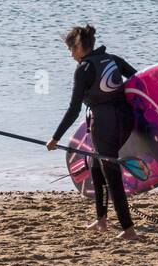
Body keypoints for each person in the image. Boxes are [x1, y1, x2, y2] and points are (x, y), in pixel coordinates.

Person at [47, 24, 139, 239]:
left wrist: (55, 138)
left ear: (79, 47)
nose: (71, 55)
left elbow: (73, 109)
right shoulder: (112, 60)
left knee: (111, 174)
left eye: (71, 50)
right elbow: (138, 80)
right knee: (95, 166)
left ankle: (129, 230)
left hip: (104, 125)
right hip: (125, 121)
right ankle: (102, 219)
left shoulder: (84, 69)